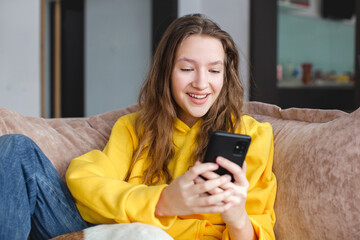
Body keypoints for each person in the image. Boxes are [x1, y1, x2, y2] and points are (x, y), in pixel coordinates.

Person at [0, 14, 276, 240]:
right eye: (187, 69)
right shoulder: (136, 127)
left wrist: (237, 217)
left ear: (226, 76)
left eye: (215, 71)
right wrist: (163, 202)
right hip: (110, 234)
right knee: (15, 148)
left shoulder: (252, 136)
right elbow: (83, 181)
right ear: (166, 72)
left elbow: (258, 229)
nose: (202, 83)